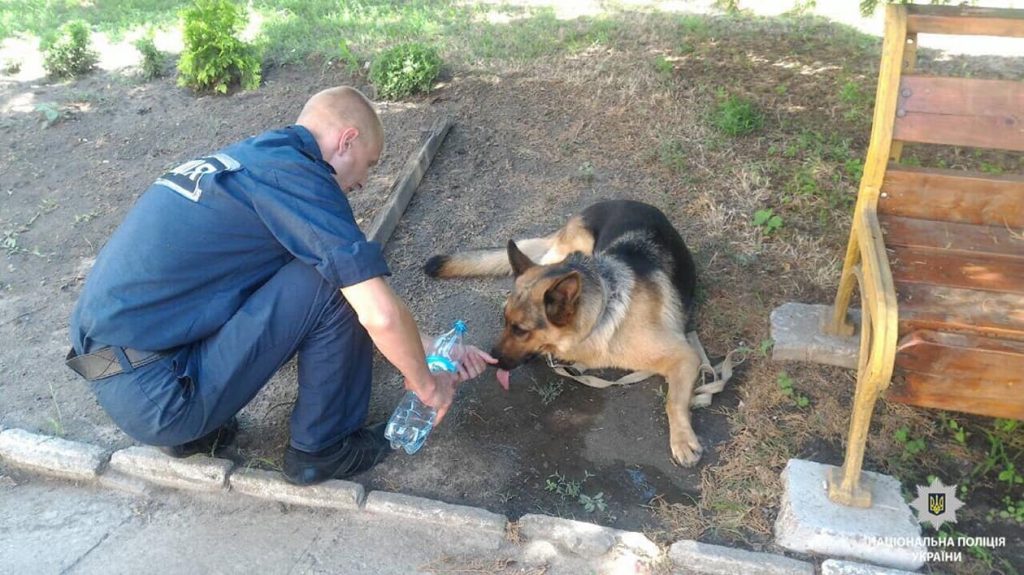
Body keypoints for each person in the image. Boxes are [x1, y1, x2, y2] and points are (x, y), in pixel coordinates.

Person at [66, 86, 496, 485]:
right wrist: (425, 383)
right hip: (161, 395)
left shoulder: (251, 162)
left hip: (119, 375)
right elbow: (378, 313)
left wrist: (432, 347)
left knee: (314, 266)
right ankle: (323, 448)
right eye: (368, 165)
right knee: (332, 278)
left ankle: (197, 431)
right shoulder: (300, 179)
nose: (363, 182)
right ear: (345, 141)